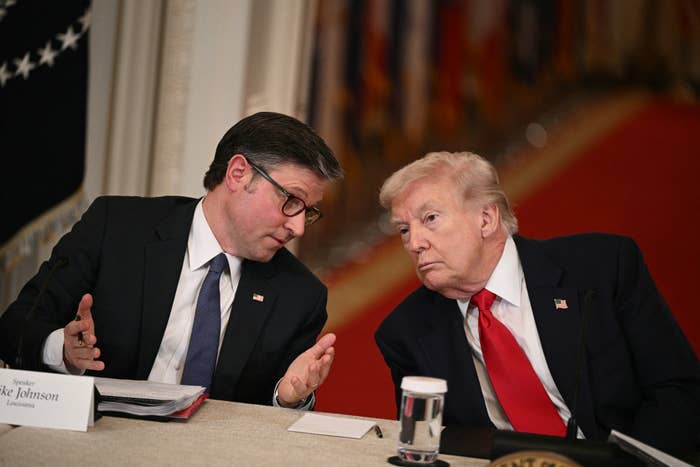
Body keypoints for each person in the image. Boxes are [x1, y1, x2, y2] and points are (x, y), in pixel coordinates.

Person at [0, 112, 343, 410]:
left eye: (308, 211)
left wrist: (287, 398)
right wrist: (62, 350)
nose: (298, 227)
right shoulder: (116, 228)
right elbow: (15, 327)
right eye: (291, 200)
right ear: (238, 174)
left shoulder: (300, 295)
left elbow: (273, 414)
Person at [374, 151, 700, 457]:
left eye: (430, 218)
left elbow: (677, 391)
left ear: (486, 219)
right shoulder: (406, 333)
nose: (414, 243)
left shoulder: (601, 269)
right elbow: (427, 446)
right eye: (404, 229)